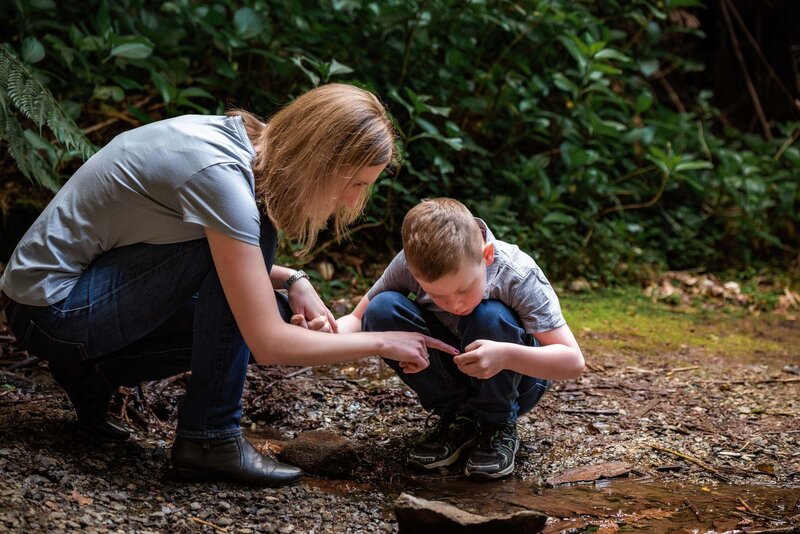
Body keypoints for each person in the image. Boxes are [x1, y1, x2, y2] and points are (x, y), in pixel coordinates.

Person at [0, 84, 458, 487]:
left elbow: (177, 253)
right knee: (261, 280)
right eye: (353, 183)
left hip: (66, 297)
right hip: (53, 313)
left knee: (271, 304)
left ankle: (92, 374)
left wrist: (292, 279)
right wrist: (383, 341)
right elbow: (268, 341)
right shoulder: (223, 180)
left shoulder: (236, 144)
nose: (352, 201)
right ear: (320, 158)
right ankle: (210, 437)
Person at [337, 198, 584, 479]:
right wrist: (321, 332)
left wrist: (505, 355)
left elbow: (572, 361)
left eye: (464, 289)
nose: (454, 304)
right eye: (439, 295)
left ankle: (497, 424)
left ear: (486, 255)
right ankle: (458, 417)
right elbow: (357, 318)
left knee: (489, 314)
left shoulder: (516, 273)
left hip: (516, 376)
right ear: (412, 268)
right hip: (453, 367)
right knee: (382, 310)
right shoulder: (409, 262)